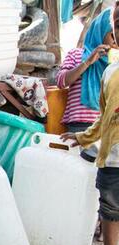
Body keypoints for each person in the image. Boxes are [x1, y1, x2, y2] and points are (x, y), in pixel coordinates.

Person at [61, 5, 119, 245]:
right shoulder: (99, 65)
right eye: (115, 28)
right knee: (107, 200)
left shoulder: (111, 67)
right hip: (102, 144)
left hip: (108, 142)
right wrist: (82, 136)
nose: (115, 36)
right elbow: (62, 82)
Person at [57, 8, 117, 161]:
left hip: (107, 127)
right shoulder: (77, 55)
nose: (116, 40)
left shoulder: (116, 64)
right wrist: (89, 61)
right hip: (79, 126)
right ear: (100, 31)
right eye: (112, 35)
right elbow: (61, 81)